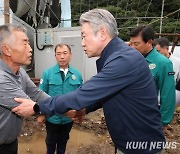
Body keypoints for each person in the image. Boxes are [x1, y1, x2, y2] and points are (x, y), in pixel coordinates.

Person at [12, 9, 165, 154]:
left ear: (103, 33)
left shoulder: (123, 60)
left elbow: (80, 95)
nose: (82, 43)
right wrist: (85, 109)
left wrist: (37, 107)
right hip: (130, 142)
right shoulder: (116, 57)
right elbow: (105, 94)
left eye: (84, 36)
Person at [0, 24, 50, 154]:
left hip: (10, 143)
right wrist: (68, 110)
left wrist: (65, 104)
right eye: (25, 43)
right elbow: (29, 106)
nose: (30, 49)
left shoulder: (20, 72)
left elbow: (37, 94)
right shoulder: (1, 79)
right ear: (7, 50)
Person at [38, 43, 82, 154]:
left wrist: (80, 112)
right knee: (51, 142)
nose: (62, 57)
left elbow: (80, 95)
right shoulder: (47, 73)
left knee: (63, 141)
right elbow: (41, 93)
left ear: (70, 55)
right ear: (55, 56)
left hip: (68, 118)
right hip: (52, 117)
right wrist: (41, 114)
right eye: (59, 54)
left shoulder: (77, 74)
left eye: (65, 53)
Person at [129, 25, 176, 126]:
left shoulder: (163, 63)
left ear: (149, 42)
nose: (132, 47)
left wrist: (162, 121)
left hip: (147, 117)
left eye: (136, 44)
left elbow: (168, 94)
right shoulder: (131, 59)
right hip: (129, 115)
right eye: (130, 43)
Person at [153, 37, 180, 105]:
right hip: (154, 101)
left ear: (167, 49)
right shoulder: (152, 62)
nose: (156, 54)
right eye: (155, 51)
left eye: (158, 51)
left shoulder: (177, 62)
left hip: (169, 101)